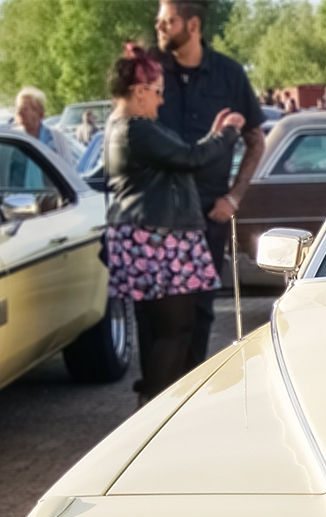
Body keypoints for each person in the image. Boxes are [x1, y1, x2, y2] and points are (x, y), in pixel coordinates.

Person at [103, 43, 243, 405]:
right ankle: (156, 408)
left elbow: (180, 156)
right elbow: (190, 158)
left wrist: (212, 136)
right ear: (139, 91)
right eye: (158, 92)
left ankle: (154, 404)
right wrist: (227, 133)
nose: (161, 101)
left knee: (164, 328)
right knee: (175, 329)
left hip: (149, 233)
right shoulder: (136, 129)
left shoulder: (125, 128)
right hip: (158, 236)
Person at [153, 0, 266, 368]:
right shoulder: (150, 74)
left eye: (169, 21)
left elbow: (256, 141)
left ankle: (189, 396)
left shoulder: (228, 75)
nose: (161, 27)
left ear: (193, 25)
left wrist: (234, 197)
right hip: (160, 214)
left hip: (208, 215)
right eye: (160, 21)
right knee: (159, 313)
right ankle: (155, 401)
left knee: (198, 312)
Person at [14, 87, 74, 165]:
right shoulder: (14, 139)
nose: (19, 113)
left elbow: (68, 169)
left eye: (24, 109)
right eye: (18, 109)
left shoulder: (56, 138)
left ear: (39, 112)